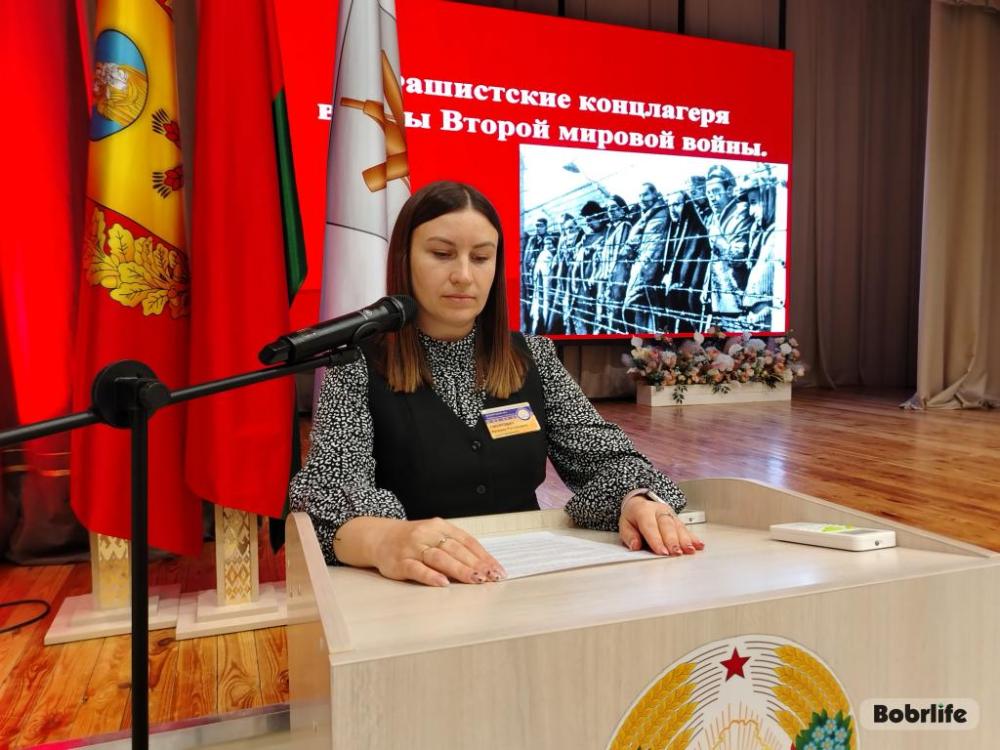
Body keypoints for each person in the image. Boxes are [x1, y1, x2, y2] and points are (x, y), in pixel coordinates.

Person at [289, 181, 703, 588]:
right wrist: (385, 539)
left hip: (523, 585)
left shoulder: (534, 356)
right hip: (416, 591)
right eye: (441, 254)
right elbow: (330, 490)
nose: (463, 275)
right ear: (403, 259)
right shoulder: (357, 365)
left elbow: (606, 458)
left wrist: (635, 499)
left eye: (481, 257)